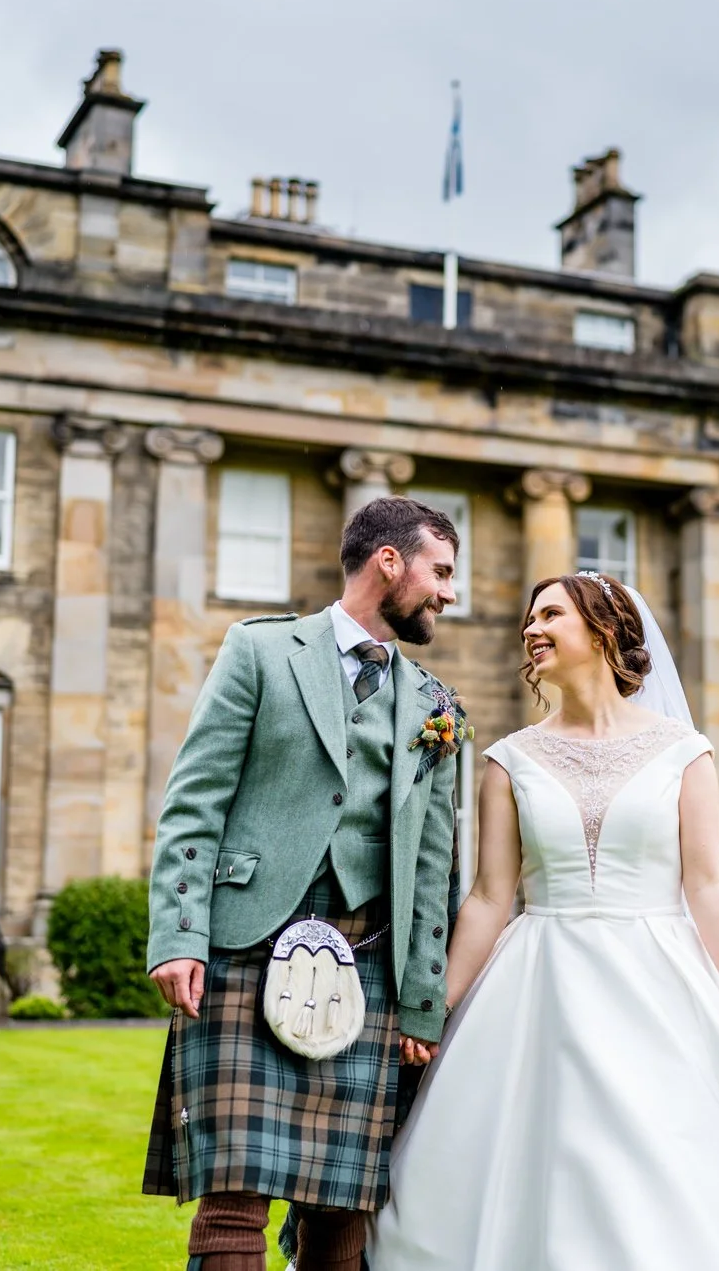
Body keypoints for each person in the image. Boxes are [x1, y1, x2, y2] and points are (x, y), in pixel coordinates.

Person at [369, 571, 719, 1270]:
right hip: (536, 983)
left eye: (550, 615)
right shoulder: (509, 760)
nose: (531, 630)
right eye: (528, 621)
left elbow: (710, 886)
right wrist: (434, 1005)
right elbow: (487, 897)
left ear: (603, 627)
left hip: (661, 978)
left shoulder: (684, 751)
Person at [143, 496, 466, 1271]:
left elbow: (433, 869)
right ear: (390, 561)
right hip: (243, 942)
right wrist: (178, 934)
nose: (450, 593)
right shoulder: (259, 651)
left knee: (343, 1202)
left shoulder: (436, 705)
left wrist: (423, 998)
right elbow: (196, 800)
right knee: (233, 1193)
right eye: (442, 570)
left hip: (370, 957)